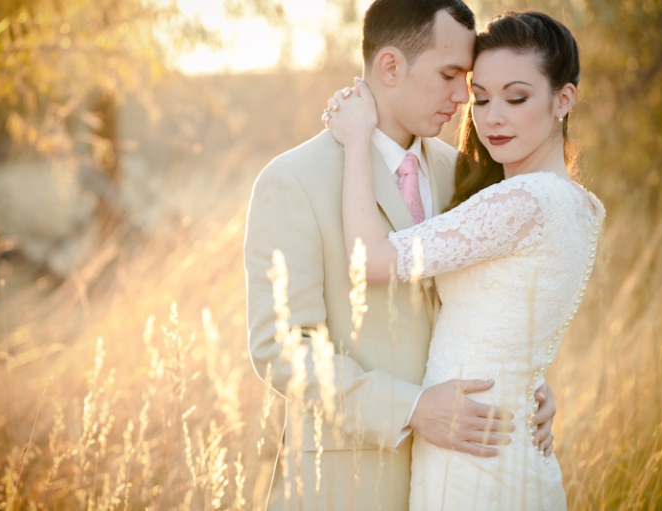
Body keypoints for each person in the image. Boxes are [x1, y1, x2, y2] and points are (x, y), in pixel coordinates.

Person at [245, 1, 556, 509]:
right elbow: (282, 348)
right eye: (449, 74)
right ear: (391, 66)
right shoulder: (293, 180)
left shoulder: (467, 173)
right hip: (349, 484)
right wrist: (410, 408)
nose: (463, 97)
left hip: (463, 478)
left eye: (466, 78)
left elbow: (488, 305)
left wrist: (530, 385)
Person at [323, 10, 605, 510]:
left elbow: (373, 261)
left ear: (563, 99)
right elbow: (513, 316)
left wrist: (357, 138)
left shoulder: (522, 202)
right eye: (480, 98)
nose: (491, 117)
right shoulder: (583, 205)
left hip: (471, 452)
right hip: (506, 435)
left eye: (516, 98)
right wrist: (531, 383)